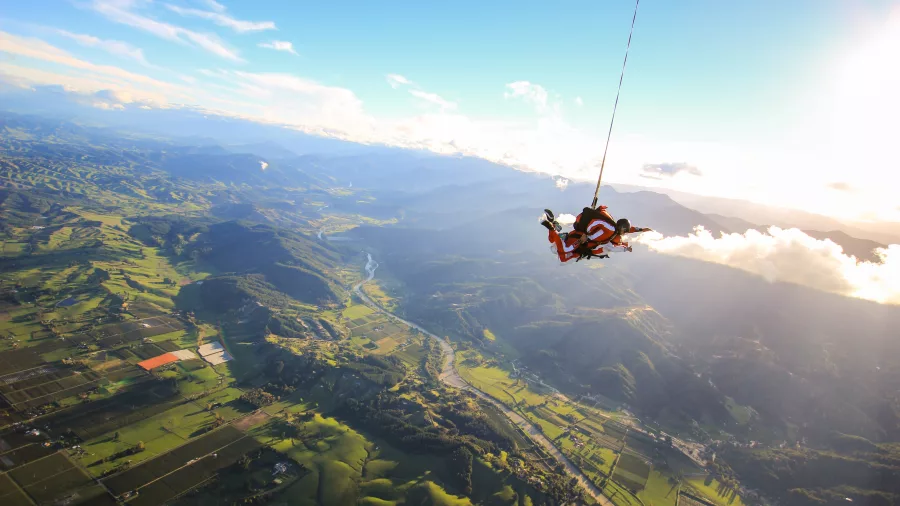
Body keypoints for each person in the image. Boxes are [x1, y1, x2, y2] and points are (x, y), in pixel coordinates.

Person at [540, 207, 651, 262]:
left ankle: (553, 224)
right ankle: (552, 227)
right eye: (624, 230)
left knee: (555, 243)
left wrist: (641, 229)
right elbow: (598, 223)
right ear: (622, 228)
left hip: (583, 243)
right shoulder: (611, 229)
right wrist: (587, 235)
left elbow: (628, 229)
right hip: (583, 241)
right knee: (564, 251)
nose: (625, 233)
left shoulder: (614, 230)